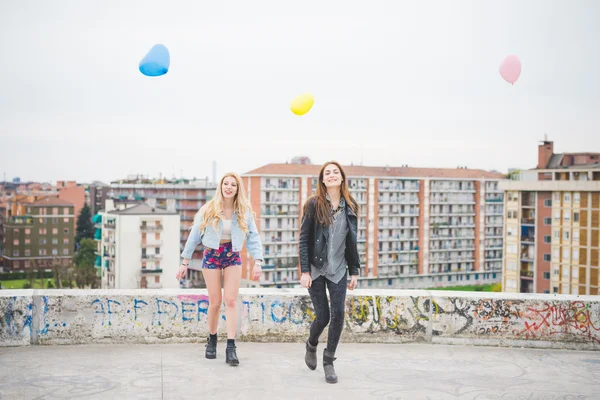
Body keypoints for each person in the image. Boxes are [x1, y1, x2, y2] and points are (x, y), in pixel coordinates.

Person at [177, 172, 263, 366]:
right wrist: (184, 262)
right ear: (221, 186)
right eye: (226, 183)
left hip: (232, 254)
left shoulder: (244, 211)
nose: (229, 187)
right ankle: (212, 339)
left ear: (237, 189)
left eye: (233, 184)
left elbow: (253, 236)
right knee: (215, 302)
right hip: (212, 254)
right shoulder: (208, 209)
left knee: (231, 301)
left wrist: (257, 260)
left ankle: (231, 347)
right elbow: (194, 236)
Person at [299, 161, 360, 384]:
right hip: (315, 269)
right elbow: (304, 239)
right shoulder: (314, 204)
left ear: (342, 178)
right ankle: (311, 344)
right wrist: (304, 271)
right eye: (328, 173)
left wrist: (354, 271)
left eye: (336, 172)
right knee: (323, 316)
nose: (332, 175)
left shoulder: (351, 206)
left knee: (339, 315)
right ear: (323, 180)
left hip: (338, 269)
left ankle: (328, 361)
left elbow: (352, 242)